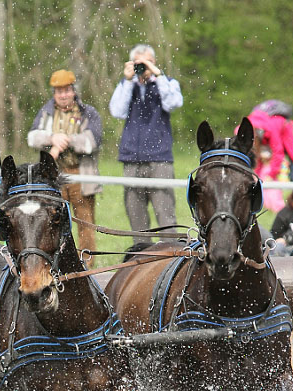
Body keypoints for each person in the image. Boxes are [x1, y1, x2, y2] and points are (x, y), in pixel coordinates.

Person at [28, 69, 102, 261]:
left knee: (85, 223)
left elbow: (93, 141)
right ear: (54, 93)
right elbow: (32, 137)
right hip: (54, 177)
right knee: (52, 222)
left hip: (81, 175)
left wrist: (67, 140)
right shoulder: (46, 112)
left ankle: (86, 265)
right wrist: (53, 137)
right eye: (59, 91)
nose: (63, 95)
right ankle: (56, 261)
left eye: (66, 90)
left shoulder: (88, 112)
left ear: (73, 91)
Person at [109, 43, 182, 233]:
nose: (144, 68)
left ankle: (171, 255)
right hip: (132, 158)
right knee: (136, 216)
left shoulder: (167, 83)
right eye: (139, 63)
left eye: (148, 62)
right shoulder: (126, 86)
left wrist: (158, 76)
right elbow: (117, 111)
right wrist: (128, 80)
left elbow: (173, 103)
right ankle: (142, 255)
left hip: (160, 158)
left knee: (165, 215)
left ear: (155, 63)